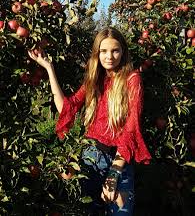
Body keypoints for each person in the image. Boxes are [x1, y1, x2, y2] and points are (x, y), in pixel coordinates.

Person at [28, 27, 151, 215]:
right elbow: (67, 108)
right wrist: (49, 69)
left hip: (120, 161)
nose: (109, 56)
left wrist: (114, 173)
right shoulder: (94, 79)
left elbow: (131, 129)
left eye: (115, 50)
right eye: (103, 51)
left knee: (121, 212)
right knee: (87, 210)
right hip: (91, 157)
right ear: (97, 53)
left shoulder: (132, 79)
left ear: (123, 52)